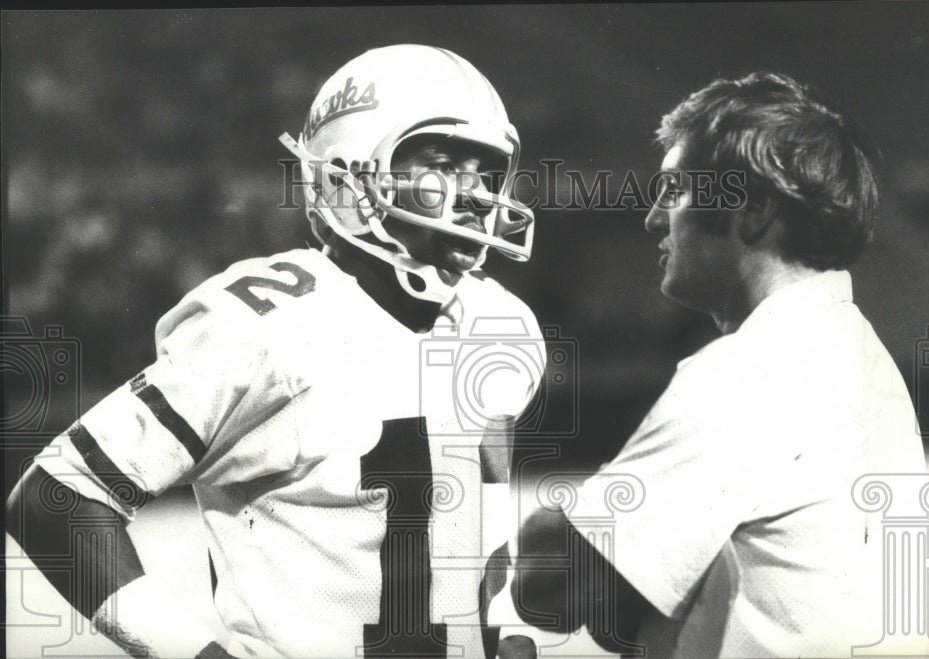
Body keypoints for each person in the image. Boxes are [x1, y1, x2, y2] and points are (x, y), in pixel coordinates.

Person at [7, 44, 544, 659]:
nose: (476, 193)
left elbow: (486, 498)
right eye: (444, 163)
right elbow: (56, 495)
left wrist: (508, 629)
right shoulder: (263, 325)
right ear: (350, 177)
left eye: (486, 170)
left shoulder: (500, 320)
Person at [511, 72, 926, 658]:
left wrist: (557, 519)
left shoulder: (753, 370)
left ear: (751, 210)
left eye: (675, 191)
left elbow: (547, 586)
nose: (655, 219)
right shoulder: (855, 350)